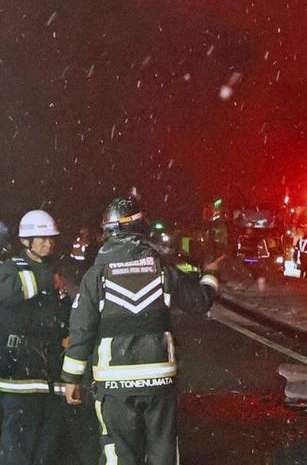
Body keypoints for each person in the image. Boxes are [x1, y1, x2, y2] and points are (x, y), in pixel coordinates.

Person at [61, 198, 221, 465]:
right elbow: (198, 301)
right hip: (159, 379)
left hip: (114, 381)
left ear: (108, 231)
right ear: (141, 228)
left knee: (118, 450)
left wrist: (71, 378)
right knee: (163, 447)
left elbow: (81, 328)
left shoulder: (97, 274)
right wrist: (211, 275)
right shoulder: (160, 268)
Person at [0, 210, 70, 465]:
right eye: (42, 239)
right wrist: (48, 280)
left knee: (47, 449)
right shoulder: (10, 269)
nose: (48, 244)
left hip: (49, 372)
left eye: (51, 238)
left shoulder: (54, 272)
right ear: (25, 240)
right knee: (18, 447)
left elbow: (62, 315)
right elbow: (8, 293)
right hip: (19, 374)